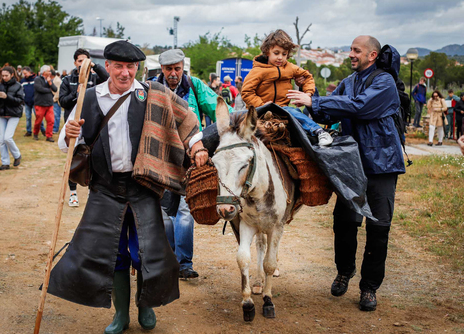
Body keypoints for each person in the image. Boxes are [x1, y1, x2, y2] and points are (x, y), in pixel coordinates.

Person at [51, 40, 208, 334]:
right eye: (119, 66)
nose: (125, 73)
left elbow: (187, 119)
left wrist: (197, 147)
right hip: (105, 189)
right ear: (107, 66)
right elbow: (65, 144)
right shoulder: (88, 97)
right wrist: (70, 133)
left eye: (131, 67)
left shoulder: (152, 94)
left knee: (146, 252)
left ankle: (145, 306)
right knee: (111, 254)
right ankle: (120, 315)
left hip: (142, 187)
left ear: (138, 68)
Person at [288, 35, 405, 312]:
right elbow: (328, 113)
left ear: (372, 55)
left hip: (382, 165)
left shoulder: (384, 82)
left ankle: (369, 288)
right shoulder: (348, 82)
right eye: (351, 50)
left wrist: (316, 102)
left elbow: (361, 107)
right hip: (350, 164)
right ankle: (345, 271)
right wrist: (308, 99)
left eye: (356, 50)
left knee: (379, 228)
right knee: (343, 223)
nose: (350, 54)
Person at [156, 49, 232, 279]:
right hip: (163, 158)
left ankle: (184, 264)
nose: (173, 73)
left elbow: (220, 111)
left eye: (177, 68)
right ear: (162, 69)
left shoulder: (195, 86)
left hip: (192, 157)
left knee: (185, 210)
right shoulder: (152, 88)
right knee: (164, 212)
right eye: (168, 69)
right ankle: (168, 259)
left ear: (182, 67)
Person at [242, 29, 333, 147]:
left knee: (294, 111)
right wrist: (262, 105)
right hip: (260, 110)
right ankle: (318, 131)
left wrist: (307, 94)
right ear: (267, 51)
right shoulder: (258, 71)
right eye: (276, 53)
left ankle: (317, 133)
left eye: (284, 54)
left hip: (282, 109)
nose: (280, 57)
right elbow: (246, 92)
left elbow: (307, 77)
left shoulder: (290, 68)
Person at [59, 48, 109, 207]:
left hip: (93, 125)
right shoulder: (68, 79)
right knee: (73, 160)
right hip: (73, 125)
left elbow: (108, 78)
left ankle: (91, 192)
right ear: (75, 62)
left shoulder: (95, 77)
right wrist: (77, 94)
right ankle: (73, 194)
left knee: (94, 159)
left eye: (86, 60)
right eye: (80, 61)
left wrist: (93, 66)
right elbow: (62, 101)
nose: (83, 64)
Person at [0, 66, 24, 170]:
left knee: (7, 137)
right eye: (3, 75)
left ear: (12, 75)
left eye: (6, 75)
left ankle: (17, 155)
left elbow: (20, 101)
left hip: (14, 114)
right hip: (2, 114)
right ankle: (5, 163)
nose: (4, 77)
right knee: (2, 140)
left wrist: (7, 97)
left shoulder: (18, 86)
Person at [33, 65, 57, 142]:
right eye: (49, 71)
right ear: (44, 72)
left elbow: (55, 89)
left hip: (49, 104)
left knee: (51, 121)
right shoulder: (37, 79)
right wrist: (49, 90)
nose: (50, 72)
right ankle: (35, 133)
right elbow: (39, 88)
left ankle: (49, 136)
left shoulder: (50, 80)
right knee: (38, 121)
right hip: (40, 103)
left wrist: (50, 82)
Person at [21, 67, 45, 137]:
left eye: (25, 73)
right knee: (28, 117)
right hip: (27, 102)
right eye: (23, 73)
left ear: (29, 72)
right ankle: (29, 131)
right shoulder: (23, 81)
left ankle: (42, 129)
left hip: (36, 102)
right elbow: (22, 91)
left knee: (38, 117)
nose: (24, 75)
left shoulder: (36, 79)